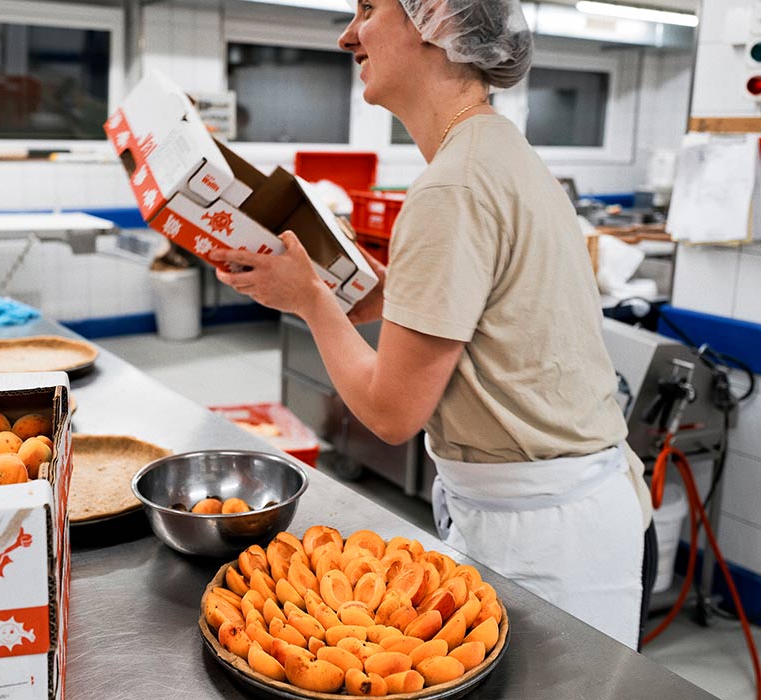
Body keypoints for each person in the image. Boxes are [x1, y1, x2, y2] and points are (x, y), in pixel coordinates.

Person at [212, 0, 652, 649]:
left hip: (547, 541)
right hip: (560, 511)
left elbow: (391, 413)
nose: (347, 35)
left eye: (367, 9)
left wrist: (312, 300)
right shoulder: (498, 152)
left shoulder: (452, 186)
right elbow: (502, 309)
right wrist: (393, 296)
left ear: (435, 23)